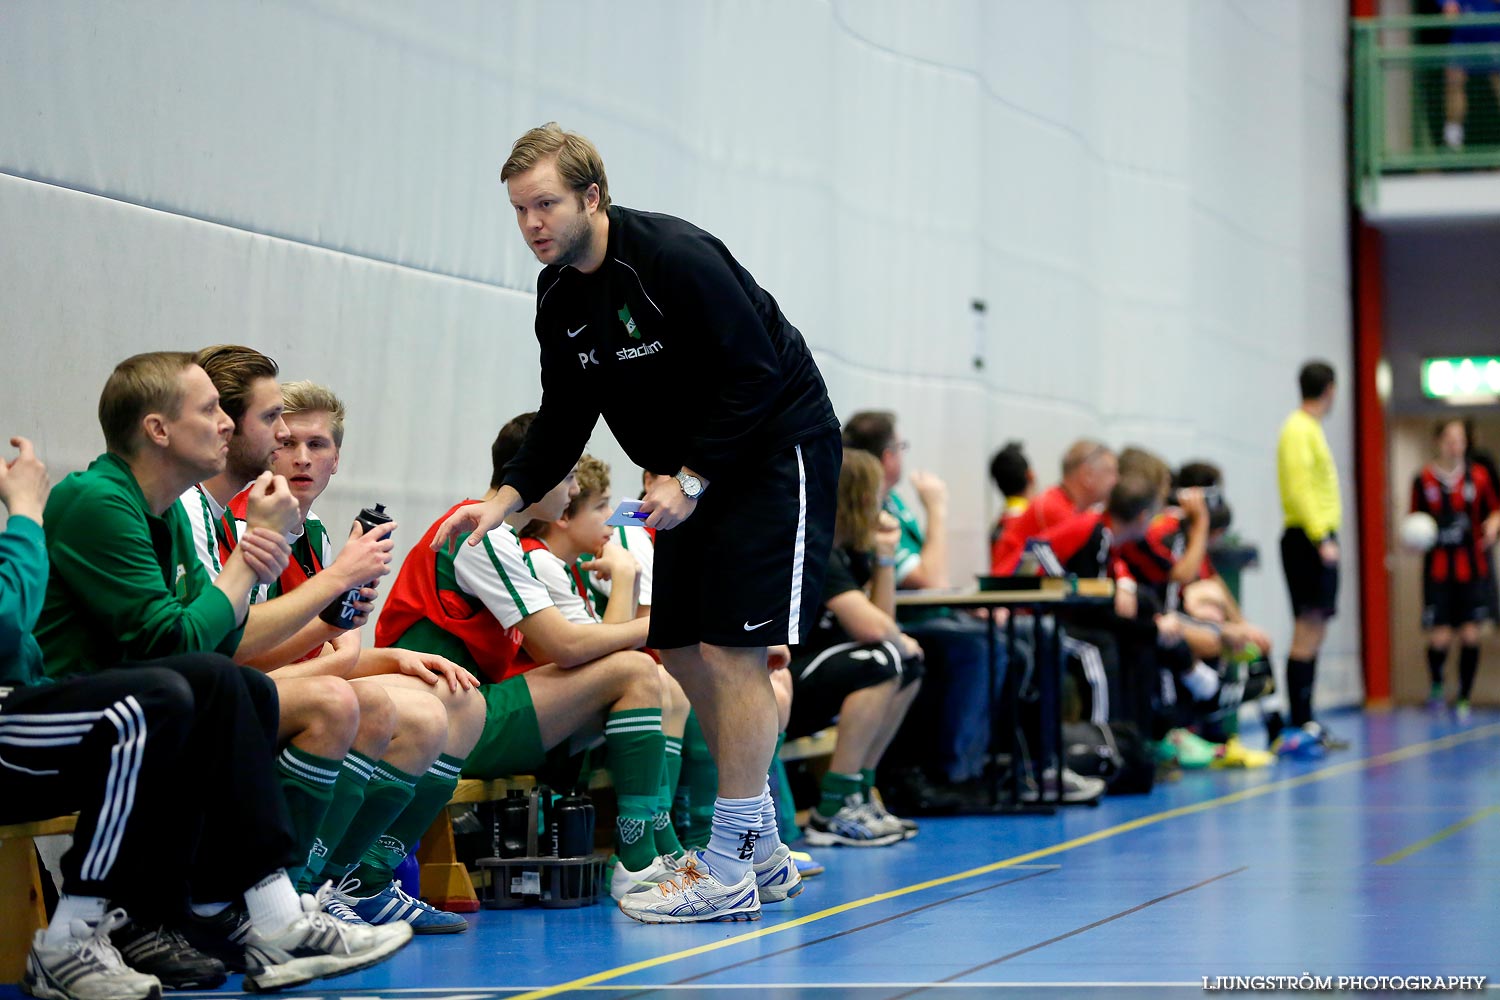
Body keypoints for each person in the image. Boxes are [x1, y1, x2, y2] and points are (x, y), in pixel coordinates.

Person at [430, 123, 840, 923]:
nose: (532, 225)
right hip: (687, 475)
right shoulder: (557, 293)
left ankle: (728, 863)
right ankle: (758, 843)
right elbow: (563, 415)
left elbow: (755, 372)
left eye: (545, 204)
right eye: (518, 210)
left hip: (768, 449)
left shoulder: (675, 258)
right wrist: (505, 498)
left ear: (592, 196)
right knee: (681, 647)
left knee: (734, 649)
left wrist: (691, 476)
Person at [26, 356, 412, 992]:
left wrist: (263, 576)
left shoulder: (167, 511)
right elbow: (169, 643)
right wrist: (251, 566)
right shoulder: (93, 499)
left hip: (136, 714)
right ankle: (203, 913)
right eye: (211, 412)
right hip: (59, 719)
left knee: (237, 687)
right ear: (157, 429)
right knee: (188, 688)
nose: (227, 427)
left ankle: (268, 911)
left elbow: (217, 643)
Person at [377, 414, 687, 903]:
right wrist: (666, 623)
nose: (572, 488)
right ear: (531, 472)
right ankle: (638, 861)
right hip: (444, 717)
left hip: (462, 707)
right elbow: (559, 646)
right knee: (636, 671)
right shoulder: (484, 532)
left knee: (648, 679)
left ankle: (656, 849)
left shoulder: (501, 537)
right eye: (565, 476)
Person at [228, 381, 486, 931]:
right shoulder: (246, 520)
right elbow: (252, 653)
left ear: (337, 459)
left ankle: (363, 882)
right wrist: (352, 652)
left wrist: (388, 657)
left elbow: (323, 647)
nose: (301, 457)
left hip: (296, 683)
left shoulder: (312, 531)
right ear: (266, 442)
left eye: (317, 445)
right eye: (289, 442)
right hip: (246, 690)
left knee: (461, 701)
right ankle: (309, 887)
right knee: (392, 709)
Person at [786, 449, 923, 846]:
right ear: (863, 499)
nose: (885, 505)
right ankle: (832, 808)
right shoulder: (817, 544)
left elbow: (883, 619)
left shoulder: (852, 550)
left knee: (906, 665)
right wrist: (897, 639)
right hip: (788, 678)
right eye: (879, 495)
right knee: (881, 661)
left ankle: (859, 792)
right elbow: (871, 627)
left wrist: (884, 559)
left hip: (822, 675)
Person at [1275, 361, 1347, 751]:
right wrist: (1321, 537)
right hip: (1307, 537)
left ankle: (1308, 719)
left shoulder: (1309, 429)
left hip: (1317, 535)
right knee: (1306, 627)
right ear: (1330, 389)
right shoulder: (1298, 429)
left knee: (1316, 629)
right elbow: (1301, 487)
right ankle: (1299, 720)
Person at [1410, 418, 1500, 722]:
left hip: (1472, 569)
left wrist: (1494, 522)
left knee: (1471, 634)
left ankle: (1463, 696)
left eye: (1459, 439)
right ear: (1438, 441)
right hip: (1438, 572)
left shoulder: (1480, 477)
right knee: (1441, 637)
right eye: (1449, 438)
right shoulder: (1423, 480)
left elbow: (1496, 509)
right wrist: (1413, 538)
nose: (1454, 444)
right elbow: (1414, 523)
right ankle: (1437, 683)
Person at [992, 440, 1118, 575]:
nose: (1116, 480)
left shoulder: (1061, 505)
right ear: (1087, 475)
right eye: (1110, 471)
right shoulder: (1053, 509)